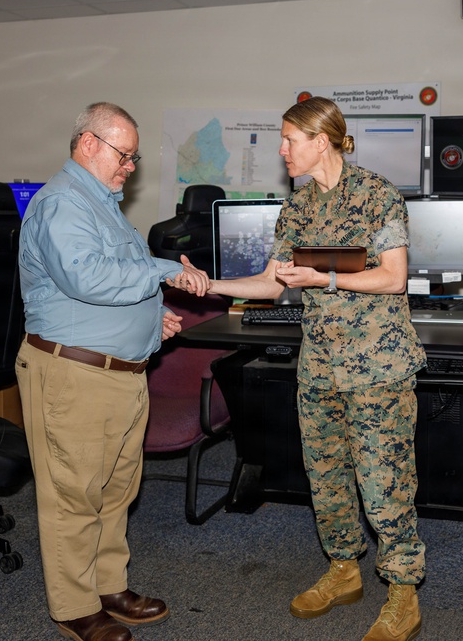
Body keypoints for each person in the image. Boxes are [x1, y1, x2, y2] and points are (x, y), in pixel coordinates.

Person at [187, 96, 426, 641]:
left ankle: (403, 592)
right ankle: (344, 569)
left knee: (384, 482)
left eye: (290, 139)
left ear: (322, 140)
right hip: (319, 366)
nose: (282, 149)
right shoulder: (296, 207)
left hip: (376, 367)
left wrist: (326, 281)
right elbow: (273, 282)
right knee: (326, 477)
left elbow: (393, 277)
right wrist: (211, 284)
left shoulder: (376, 195)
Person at [15, 102, 210, 641]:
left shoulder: (101, 204)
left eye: (134, 156)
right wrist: (167, 270)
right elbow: (88, 279)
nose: (131, 166)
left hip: (120, 374)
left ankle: (107, 586)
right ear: (88, 144)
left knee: (116, 491)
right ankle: (74, 608)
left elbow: (118, 284)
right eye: (124, 155)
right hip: (73, 376)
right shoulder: (61, 204)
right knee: (73, 496)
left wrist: (153, 320)